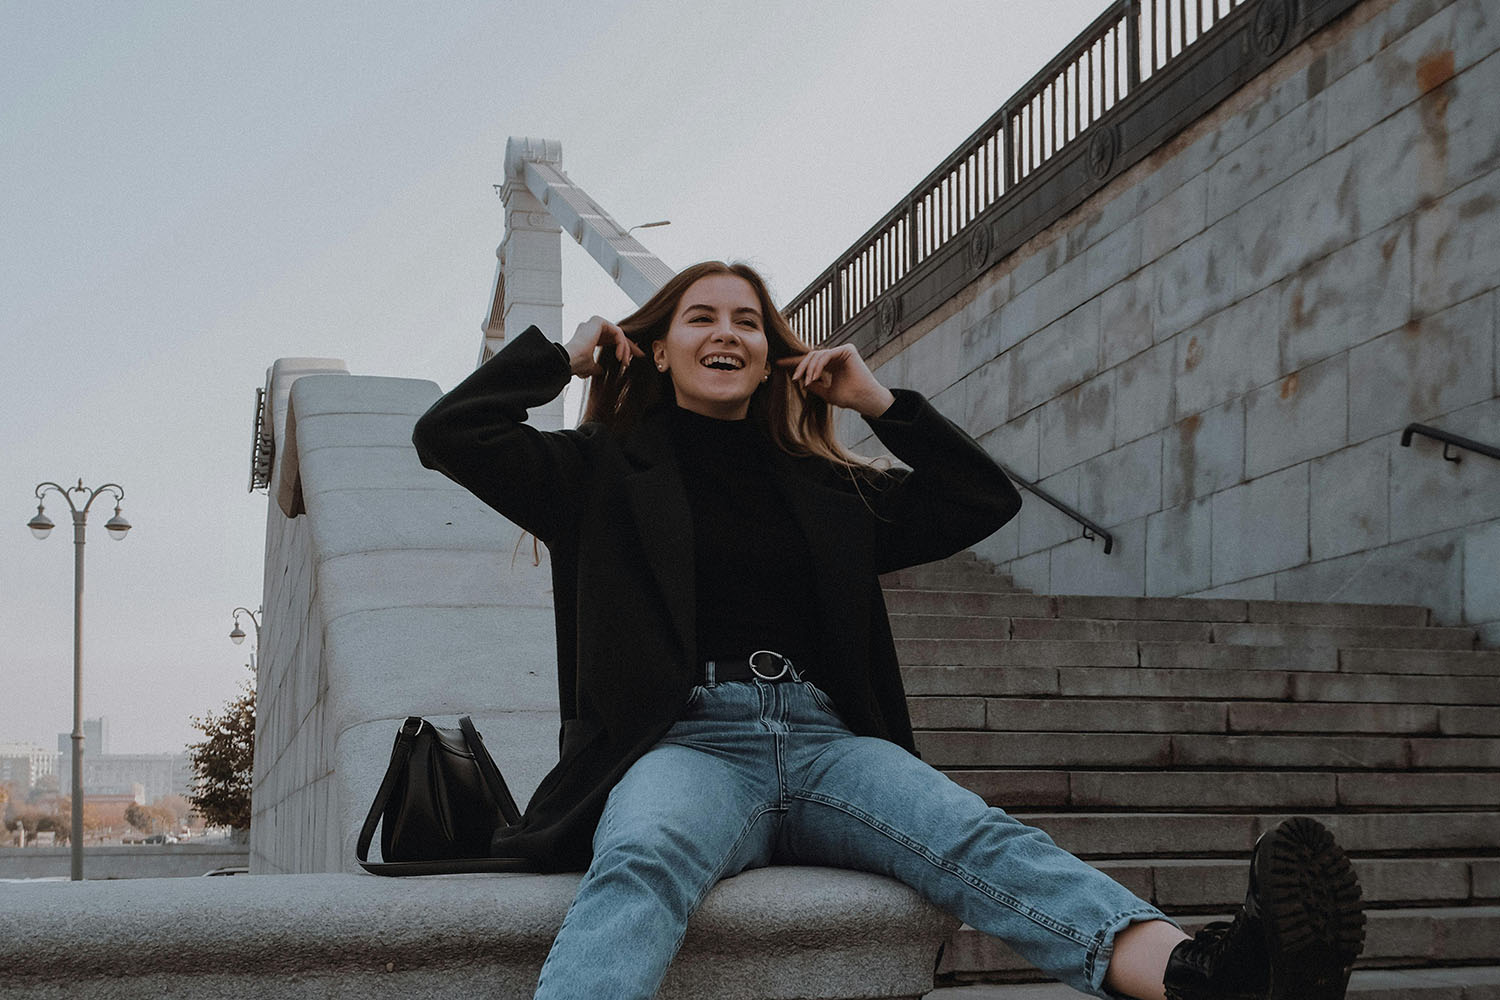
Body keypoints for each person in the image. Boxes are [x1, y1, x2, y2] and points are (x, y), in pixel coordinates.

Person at [411, 260, 1366, 1000]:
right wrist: (561, 358)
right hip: (685, 741)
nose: (726, 332)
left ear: (771, 353)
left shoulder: (827, 486)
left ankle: (1207, 976)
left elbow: (979, 500)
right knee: (644, 856)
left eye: (748, 319)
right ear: (658, 348)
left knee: (983, 840)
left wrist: (879, 404)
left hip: (828, 743)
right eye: (700, 316)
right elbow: (450, 436)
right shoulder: (596, 474)